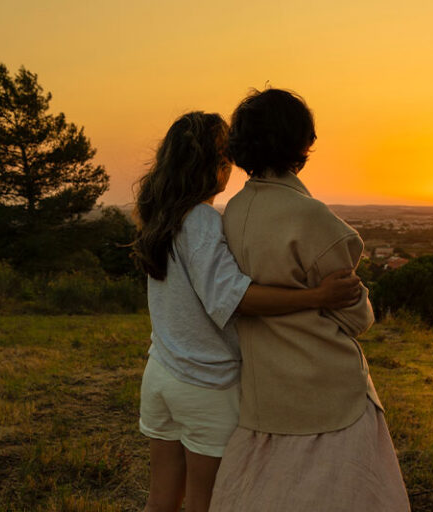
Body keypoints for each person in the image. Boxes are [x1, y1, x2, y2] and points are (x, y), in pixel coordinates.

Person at [131, 111, 362, 512]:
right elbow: (236, 299)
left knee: (161, 502)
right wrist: (317, 296)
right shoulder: (201, 219)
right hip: (205, 384)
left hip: (161, 376)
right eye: (226, 157)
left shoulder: (159, 217)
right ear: (214, 164)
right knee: (208, 504)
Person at [210, 90, 410, 511]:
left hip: (264, 391)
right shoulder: (314, 218)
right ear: (303, 144)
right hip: (327, 390)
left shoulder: (231, 213)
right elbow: (357, 318)